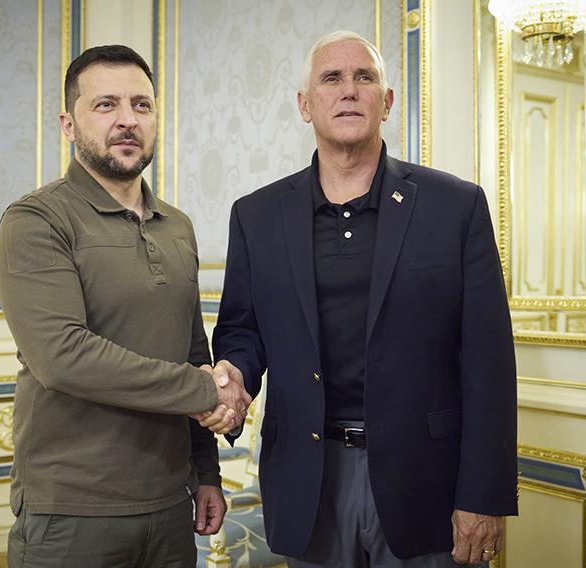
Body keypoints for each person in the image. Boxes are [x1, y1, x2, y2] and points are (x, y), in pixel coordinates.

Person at [210, 30, 518, 567]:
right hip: (309, 475)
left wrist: (483, 496)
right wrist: (234, 373)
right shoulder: (256, 216)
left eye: (364, 77)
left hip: (426, 482)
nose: (348, 90)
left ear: (387, 101)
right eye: (332, 78)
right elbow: (243, 329)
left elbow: (489, 360)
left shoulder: (455, 207)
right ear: (305, 105)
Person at [0, 44, 251, 568]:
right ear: (69, 123)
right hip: (71, 512)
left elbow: (191, 347)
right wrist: (207, 389)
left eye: (142, 105)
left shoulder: (177, 226)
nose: (127, 120)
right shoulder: (35, 220)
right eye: (105, 105)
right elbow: (63, 356)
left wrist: (206, 473)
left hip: (169, 504)